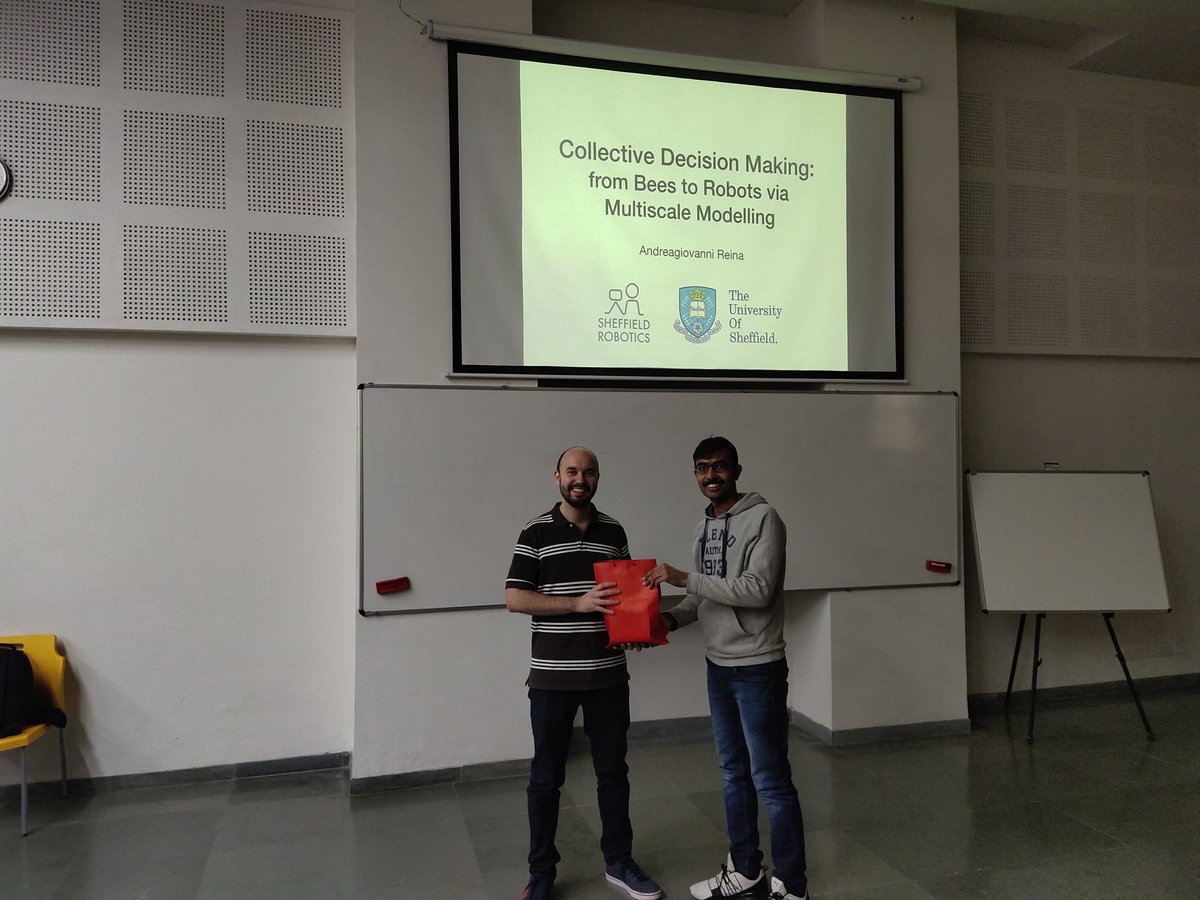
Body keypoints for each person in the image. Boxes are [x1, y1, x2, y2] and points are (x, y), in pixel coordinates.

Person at [644, 437, 810, 900]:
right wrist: (665, 623)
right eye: (702, 468)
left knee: (770, 781)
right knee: (733, 774)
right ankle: (745, 869)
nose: (710, 475)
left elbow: (757, 589)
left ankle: (792, 885)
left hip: (758, 669)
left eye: (719, 466)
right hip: (718, 668)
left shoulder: (764, 519)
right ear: (695, 473)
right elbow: (701, 597)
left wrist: (683, 577)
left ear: (736, 470)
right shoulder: (704, 527)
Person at [506, 446, 662, 900]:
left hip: (608, 677)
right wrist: (577, 603)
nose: (580, 479)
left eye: (589, 472)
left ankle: (619, 862)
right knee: (545, 779)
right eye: (572, 471)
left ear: (597, 478)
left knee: (613, 774)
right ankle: (541, 873)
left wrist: (633, 629)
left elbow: (625, 598)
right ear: (557, 476)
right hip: (551, 679)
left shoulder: (614, 531)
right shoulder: (535, 531)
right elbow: (515, 598)